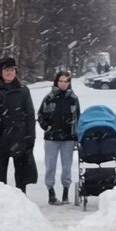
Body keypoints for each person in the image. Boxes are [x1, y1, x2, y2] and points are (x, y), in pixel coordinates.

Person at [37, 71, 81, 205]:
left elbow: (78, 118)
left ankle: (66, 192)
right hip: (51, 137)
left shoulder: (73, 98)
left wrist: (76, 136)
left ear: (69, 83)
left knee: (67, 166)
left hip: (68, 138)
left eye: (66, 81)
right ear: (56, 82)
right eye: (60, 81)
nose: (63, 84)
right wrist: (47, 127)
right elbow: (41, 115)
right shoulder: (49, 97)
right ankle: (51, 192)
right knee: (50, 165)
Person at [0, 56, 37, 193]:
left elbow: (30, 116)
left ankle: (21, 198)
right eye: (6, 70)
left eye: (12, 70)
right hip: (0, 137)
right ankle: (2, 199)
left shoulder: (23, 90)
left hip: (19, 137)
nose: (9, 73)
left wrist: (30, 137)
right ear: (1, 72)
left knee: (22, 174)